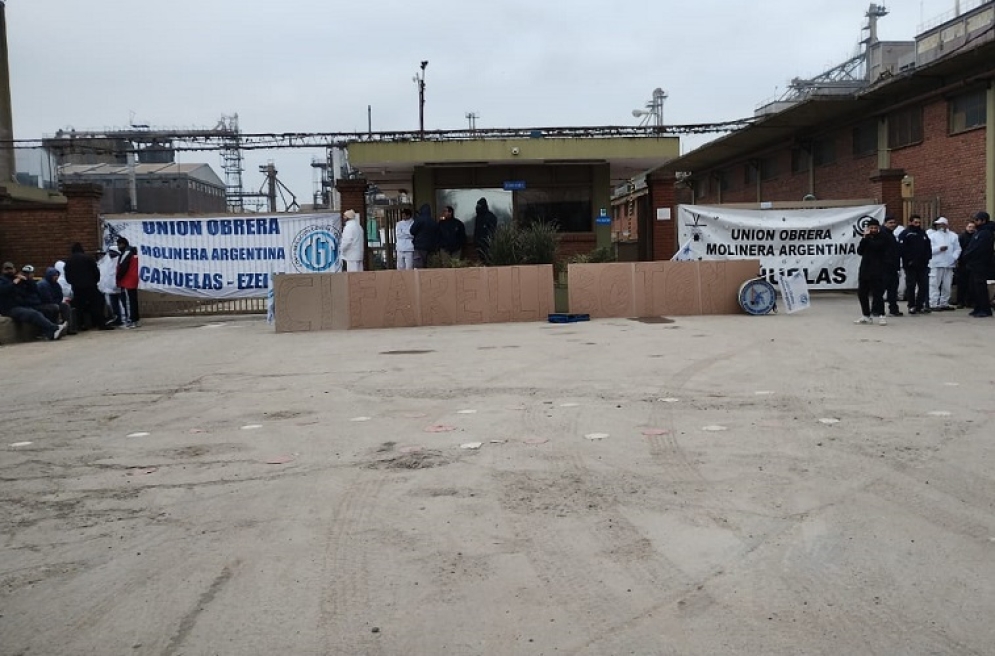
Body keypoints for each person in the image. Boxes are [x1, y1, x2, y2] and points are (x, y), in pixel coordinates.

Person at [0, 261, 68, 340]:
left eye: (11, 269)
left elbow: (33, 290)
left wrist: (27, 280)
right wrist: (14, 283)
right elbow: (3, 290)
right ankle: (54, 328)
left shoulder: (18, 279)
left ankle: (51, 333)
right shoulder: (3, 281)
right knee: (34, 314)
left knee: (50, 308)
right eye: (7, 269)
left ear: (14, 269)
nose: (9, 271)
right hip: (10, 308)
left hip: (23, 305)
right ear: (3, 270)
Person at [855, 218, 890, 325]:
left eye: (875, 228)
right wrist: (864, 237)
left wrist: (867, 239)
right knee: (862, 293)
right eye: (871, 228)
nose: (873, 229)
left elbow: (876, 246)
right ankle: (866, 315)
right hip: (865, 269)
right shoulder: (866, 237)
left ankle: (881, 315)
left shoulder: (883, 237)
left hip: (878, 269)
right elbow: (860, 251)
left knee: (877, 294)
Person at [64, 242, 107, 330]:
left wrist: (73, 283)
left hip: (77, 287)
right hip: (90, 286)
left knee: (79, 306)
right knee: (97, 303)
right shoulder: (88, 258)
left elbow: (67, 275)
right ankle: (101, 324)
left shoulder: (69, 260)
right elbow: (96, 271)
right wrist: (95, 281)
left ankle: (80, 325)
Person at [961, 210, 994, 318]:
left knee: (980, 287)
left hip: (981, 264)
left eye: (977, 220)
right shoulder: (978, 232)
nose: (975, 222)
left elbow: (978, 248)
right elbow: (971, 246)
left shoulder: (985, 233)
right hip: (974, 264)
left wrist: (967, 255)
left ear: (983, 221)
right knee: (974, 287)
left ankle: (985, 309)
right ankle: (978, 307)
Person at [898, 215, 932, 315]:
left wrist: (928, 258)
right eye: (915, 222)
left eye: (919, 222)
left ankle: (919, 306)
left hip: (923, 265)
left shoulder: (923, 233)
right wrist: (909, 260)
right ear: (910, 222)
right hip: (910, 265)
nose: (917, 224)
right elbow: (902, 249)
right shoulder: (906, 234)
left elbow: (927, 247)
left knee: (924, 286)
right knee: (911, 286)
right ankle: (911, 306)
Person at [927, 216, 961, 311]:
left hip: (949, 264)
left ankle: (944, 302)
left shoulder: (953, 236)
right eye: (938, 224)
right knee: (934, 284)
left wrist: (953, 257)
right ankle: (933, 303)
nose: (940, 226)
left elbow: (958, 249)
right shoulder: (932, 236)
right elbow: (928, 250)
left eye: (942, 224)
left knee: (947, 285)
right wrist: (938, 249)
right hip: (936, 263)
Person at [36, 266, 75, 331]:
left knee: (65, 306)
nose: (56, 277)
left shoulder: (56, 284)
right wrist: (56, 301)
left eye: (57, 275)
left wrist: (57, 301)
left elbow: (60, 295)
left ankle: (69, 328)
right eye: (54, 275)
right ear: (50, 276)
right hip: (43, 304)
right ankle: (54, 327)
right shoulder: (43, 285)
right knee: (55, 307)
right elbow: (47, 299)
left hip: (53, 302)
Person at [116, 237, 141, 328]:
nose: (118, 247)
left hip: (127, 280)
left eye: (119, 244)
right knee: (133, 300)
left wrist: (118, 277)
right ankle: (136, 320)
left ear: (123, 244)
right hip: (132, 279)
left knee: (128, 301)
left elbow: (123, 267)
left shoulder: (126, 253)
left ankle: (130, 320)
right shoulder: (133, 253)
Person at [881, 216, 903, 316]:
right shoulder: (882, 234)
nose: (892, 224)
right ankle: (877, 309)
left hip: (893, 267)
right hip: (885, 267)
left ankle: (893, 309)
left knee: (893, 290)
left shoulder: (891, 235)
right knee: (881, 289)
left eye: (894, 222)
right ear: (885, 223)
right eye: (890, 222)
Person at [97, 247, 123, 326]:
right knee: (112, 305)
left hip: (119, 287)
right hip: (110, 288)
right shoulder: (107, 262)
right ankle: (116, 318)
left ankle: (123, 319)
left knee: (122, 305)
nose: (111, 254)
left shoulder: (119, 261)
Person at [409, 203, 439, 269]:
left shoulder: (419, 220)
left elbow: (412, 231)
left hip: (419, 246)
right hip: (431, 247)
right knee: (429, 266)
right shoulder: (433, 222)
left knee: (419, 266)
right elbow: (437, 234)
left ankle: (419, 279)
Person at [955, 220, 976, 308]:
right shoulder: (961, 237)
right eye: (969, 227)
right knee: (962, 283)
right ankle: (960, 301)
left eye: (973, 227)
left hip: (973, 263)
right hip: (963, 263)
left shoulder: (976, 236)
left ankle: (970, 301)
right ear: (966, 227)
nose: (971, 229)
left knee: (971, 284)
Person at [473, 197, 498, 263]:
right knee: (481, 260)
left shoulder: (490, 216)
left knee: (488, 260)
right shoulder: (478, 217)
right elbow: (476, 230)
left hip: (488, 243)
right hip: (479, 243)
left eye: (479, 205)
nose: (477, 207)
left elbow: (493, 230)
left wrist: (489, 240)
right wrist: (475, 241)